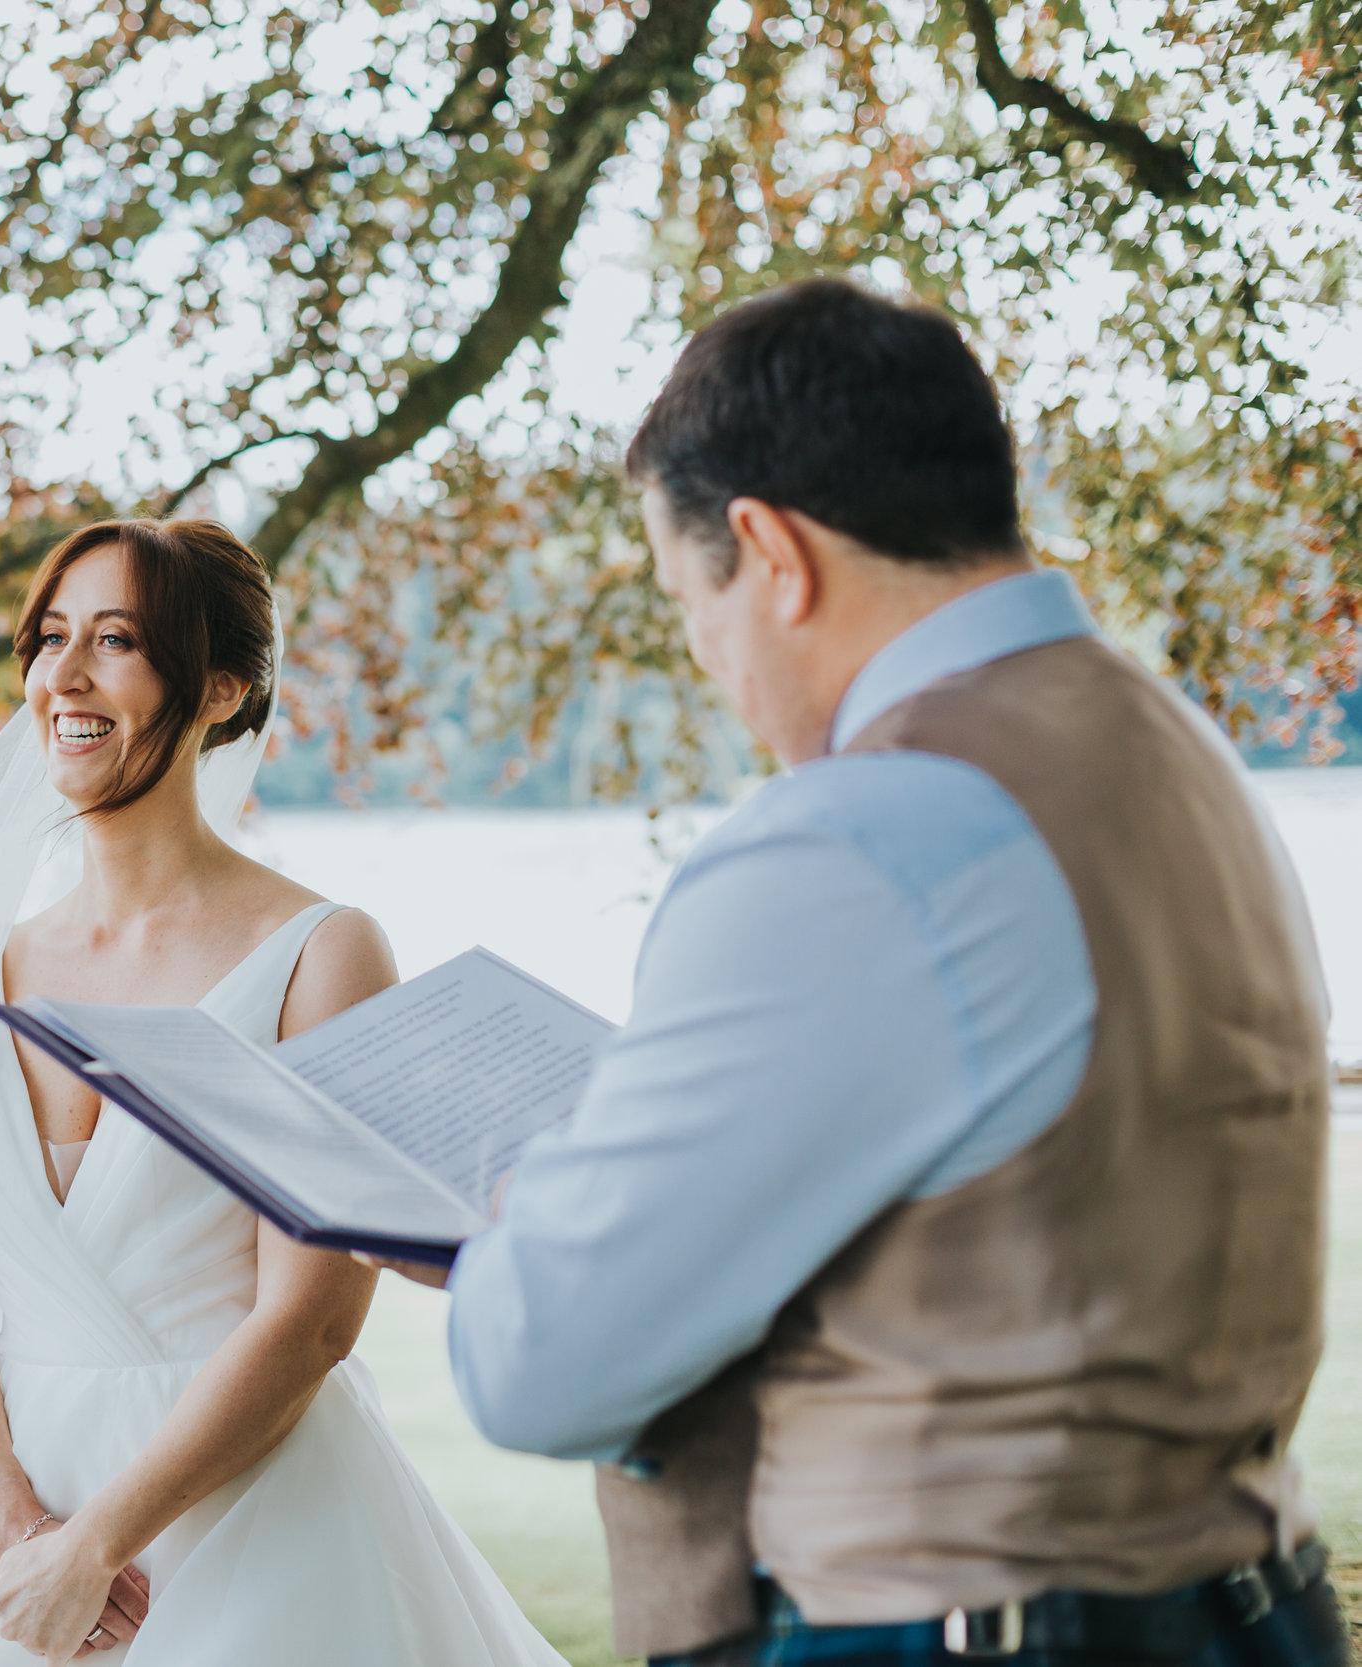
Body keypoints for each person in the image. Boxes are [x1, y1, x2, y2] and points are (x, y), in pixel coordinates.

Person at [379, 279, 1346, 1666]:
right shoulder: (1185, 757)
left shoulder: (866, 829)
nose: (709, 662)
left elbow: (541, 1367)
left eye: (686, 601)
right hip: (1250, 1602)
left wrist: (538, 1206)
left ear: (771, 551)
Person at [0, 519, 563, 1667]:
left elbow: (312, 1316)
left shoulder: (319, 953)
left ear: (220, 690)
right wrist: (16, 1535)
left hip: (258, 1518)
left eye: (119, 640)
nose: (65, 676)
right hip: (6, 1517)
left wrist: (99, 1542)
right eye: (50, 638)